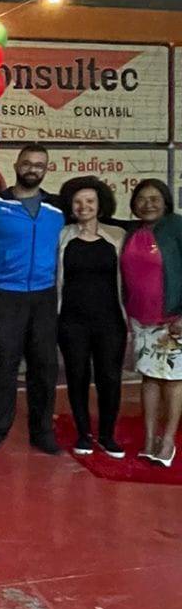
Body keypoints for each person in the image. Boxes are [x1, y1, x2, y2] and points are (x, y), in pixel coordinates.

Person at [0, 143, 65, 455]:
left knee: (44, 366)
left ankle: (42, 432)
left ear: (46, 169)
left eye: (39, 165)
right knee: (3, 365)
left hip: (44, 296)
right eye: (27, 163)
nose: (33, 169)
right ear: (16, 165)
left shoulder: (57, 210)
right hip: (4, 294)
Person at [57, 176, 126, 458]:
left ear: (100, 204)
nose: (83, 206)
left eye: (89, 201)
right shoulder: (63, 236)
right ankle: (83, 434)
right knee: (77, 376)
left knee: (109, 377)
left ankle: (107, 435)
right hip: (71, 321)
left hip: (110, 320)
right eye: (77, 202)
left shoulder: (117, 235)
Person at [120, 177, 182, 467]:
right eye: (142, 199)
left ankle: (167, 440)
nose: (148, 204)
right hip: (141, 319)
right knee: (149, 377)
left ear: (166, 202)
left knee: (173, 379)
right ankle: (148, 439)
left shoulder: (177, 227)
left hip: (173, 318)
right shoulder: (132, 231)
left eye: (155, 199)